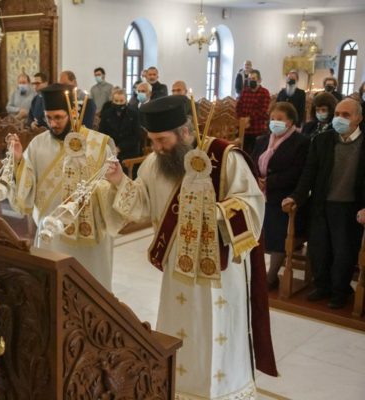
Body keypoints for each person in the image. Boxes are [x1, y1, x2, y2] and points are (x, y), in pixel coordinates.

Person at [104, 95, 277, 399]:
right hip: (178, 268)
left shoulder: (225, 157)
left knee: (218, 330)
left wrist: (214, 213)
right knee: (180, 326)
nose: (156, 148)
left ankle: (224, 391)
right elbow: (142, 205)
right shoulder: (154, 164)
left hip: (220, 271)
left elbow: (252, 204)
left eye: (162, 140)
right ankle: (178, 387)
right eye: (152, 140)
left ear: (184, 132)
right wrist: (119, 181)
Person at [7, 83, 121, 290]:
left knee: (91, 286)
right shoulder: (38, 144)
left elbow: (112, 185)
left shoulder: (99, 144)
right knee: (55, 287)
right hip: (53, 232)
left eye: (58, 117)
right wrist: (18, 161)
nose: (53, 124)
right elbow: (26, 184)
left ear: (73, 113)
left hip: (92, 234)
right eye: (48, 118)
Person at [283, 98, 365, 309]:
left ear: (358, 118)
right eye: (337, 114)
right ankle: (322, 286)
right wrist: (296, 197)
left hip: (350, 208)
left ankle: (340, 291)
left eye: (346, 115)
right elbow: (308, 174)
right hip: (321, 204)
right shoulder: (322, 140)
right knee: (319, 249)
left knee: (343, 252)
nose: (339, 118)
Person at [252, 102, 309, 289]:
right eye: (272, 118)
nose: (274, 122)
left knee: (278, 235)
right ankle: (256, 273)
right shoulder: (262, 140)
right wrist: (256, 178)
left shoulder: (301, 142)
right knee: (255, 234)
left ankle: (270, 277)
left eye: (279, 119)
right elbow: (252, 162)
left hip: (283, 197)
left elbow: (297, 172)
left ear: (290, 121)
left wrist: (269, 182)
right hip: (260, 195)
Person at [98, 88, 142, 177]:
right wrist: (112, 147)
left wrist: (119, 148)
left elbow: (136, 136)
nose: (118, 103)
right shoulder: (106, 114)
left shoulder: (134, 114)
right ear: (112, 101)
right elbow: (102, 133)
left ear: (126, 100)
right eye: (116, 101)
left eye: (121, 101)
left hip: (129, 151)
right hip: (110, 150)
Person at [237, 69, 271, 155]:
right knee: (242, 153)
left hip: (257, 129)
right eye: (249, 79)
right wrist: (242, 118)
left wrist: (249, 119)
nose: (251, 81)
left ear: (259, 80)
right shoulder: (245, 91)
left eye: (253, 79)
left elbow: (263, 111)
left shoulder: (264, 92)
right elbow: (239, 106)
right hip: (244, 129)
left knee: (254, 154)